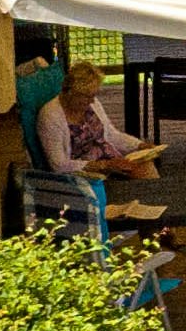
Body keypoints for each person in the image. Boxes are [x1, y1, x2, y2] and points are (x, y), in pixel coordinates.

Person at [37, 59, 169, 222]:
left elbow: (111, 135)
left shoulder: (90, 105)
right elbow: (58, 164)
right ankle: (152, 229)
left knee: (146, 169)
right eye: (88, 96)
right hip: (87, 173)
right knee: (139, 186)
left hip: (111, 162)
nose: (93, 101)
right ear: (71, 93)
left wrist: (140, 145)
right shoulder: (50, 116)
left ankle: (163, 229)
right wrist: (104, 166)